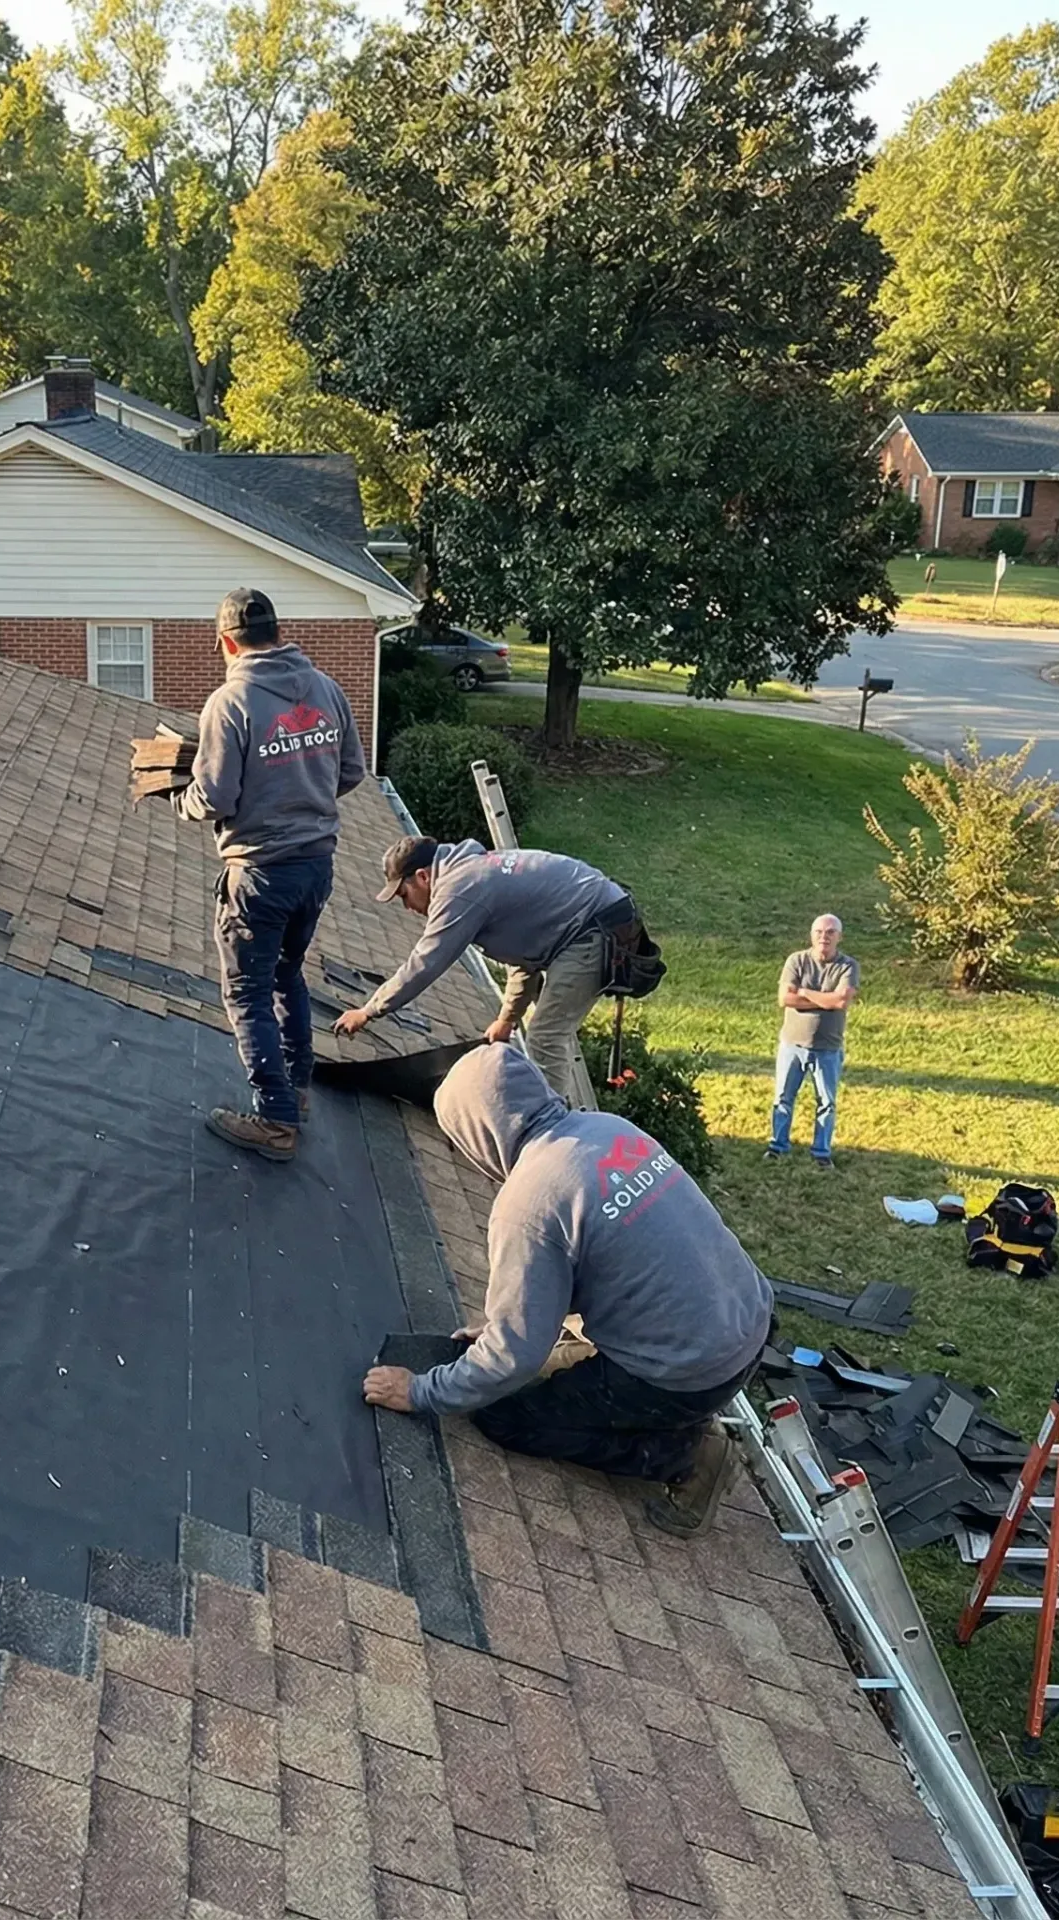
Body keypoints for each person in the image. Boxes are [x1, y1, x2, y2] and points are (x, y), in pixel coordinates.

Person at [362, 1046, 771, 1535]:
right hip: (750, 1320)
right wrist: (511, 1318)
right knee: (554, 1362)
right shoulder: (608, 1128)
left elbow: (513, 1358)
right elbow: (612, 1253)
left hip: (692, 1374)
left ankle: (686, 1454)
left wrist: (421, 1392)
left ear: (477, 1130)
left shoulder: (529, 1202)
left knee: (505, 1417)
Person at [173, 587, 365, 1162]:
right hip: (316, 866)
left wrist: (179, 799)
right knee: (287, 974)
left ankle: (275, 1120)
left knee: (246, 991)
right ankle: (297, 1091)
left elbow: (213, 795)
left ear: (226, 642)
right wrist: (301, 795)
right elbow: (351, 771)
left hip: (259, 872)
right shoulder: (326, 688)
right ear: (279, 632)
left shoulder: (231, 702)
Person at [335, 837, 639, 1109]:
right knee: (545, 1034)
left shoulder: (461, 888)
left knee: (546, 1035)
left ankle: (546, 1133)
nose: (406, 906)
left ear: (423, 876)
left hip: (598, 928)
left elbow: (426, 962)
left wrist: (369, 1011)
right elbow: (525, 958)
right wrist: (507, 1019)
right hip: (592, 921)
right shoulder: (472, 872)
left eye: (403, 894)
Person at [766, 913, 859, 1169]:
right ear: (811, 935)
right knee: (783, 1097)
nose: (824, 937)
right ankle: (777, 1146)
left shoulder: (848, 966)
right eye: (819, 932)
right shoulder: (796, 960)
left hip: (828, 1048)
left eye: (830, 932)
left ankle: (821, 1152)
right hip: (792, 1044)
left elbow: (841, 1001)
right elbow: (785, 999)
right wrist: (825, 999)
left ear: (839, 937)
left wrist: (805, 992)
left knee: (826, 1103)